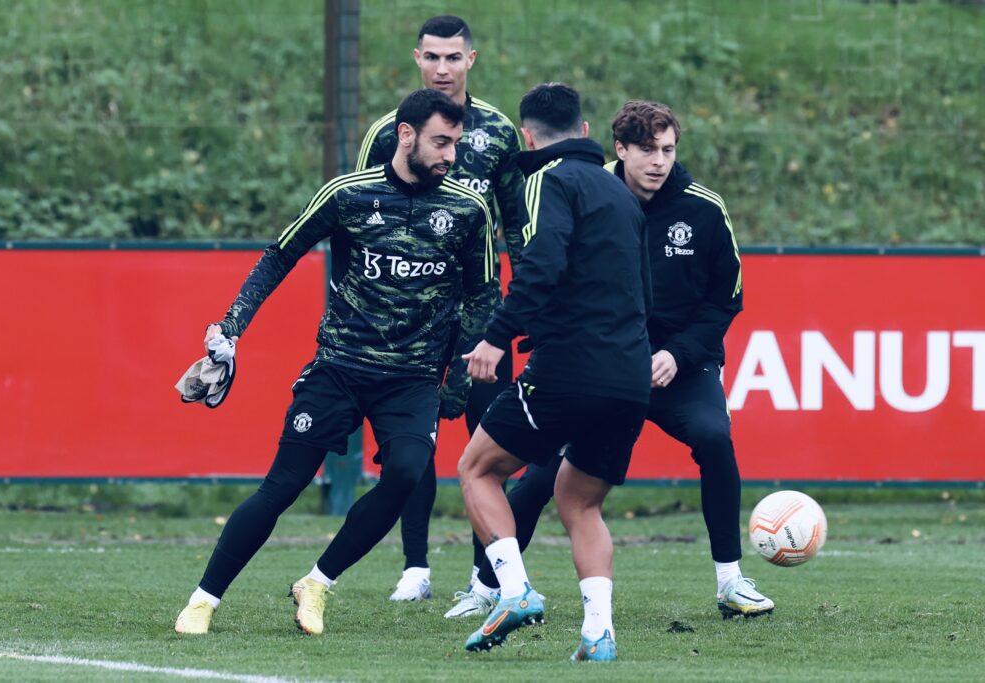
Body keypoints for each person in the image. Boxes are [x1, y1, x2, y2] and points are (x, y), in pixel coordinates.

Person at [173, 88, 498, 636]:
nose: (451, 155)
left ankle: (318, 582)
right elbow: (279, 256)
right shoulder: (348, 194)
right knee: (282, 486)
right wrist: (230, 327)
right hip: (339, 367)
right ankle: (203, 599)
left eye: (457, 144)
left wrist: (458, 381)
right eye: (441, 142)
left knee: (404, 473)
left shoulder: (468, 208)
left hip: (413, 378)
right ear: (406, 135)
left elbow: (483, 298)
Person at [449, 100, 774, 623]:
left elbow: (725, 300)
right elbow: (555, 270)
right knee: (538, 480)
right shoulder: (591, 190)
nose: (659, 161)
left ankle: (731, 580)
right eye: (647, 149)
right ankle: (487, 587)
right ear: (618, 148)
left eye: (668, 149)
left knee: (715, 437)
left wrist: (677, 353)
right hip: (604, 361)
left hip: (677, 368)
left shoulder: (704, 209)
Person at [457, 83, 652, 662]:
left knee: (477, 468)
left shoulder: (548, 180)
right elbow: (644, 292)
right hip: (628, 375)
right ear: (589, 132)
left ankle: (513, 592)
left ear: (527, 136)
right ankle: (598, 634)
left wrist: (496, 336)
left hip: (570, 366)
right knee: (579, 501)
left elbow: (541, 266)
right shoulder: (622, 196)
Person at [354, 14, 525, 603]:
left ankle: (486, 576)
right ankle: (416, 566)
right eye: (432, 57)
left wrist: (523, 306)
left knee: (489, 434)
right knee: (415, 439)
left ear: (471, 61)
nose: (443, 68)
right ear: (417, 59)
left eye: (454, 57)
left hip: (480, 314)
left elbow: (518, 225)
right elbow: (359, 220)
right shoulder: (388, 131)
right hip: (409, 316)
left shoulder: (499, 132)